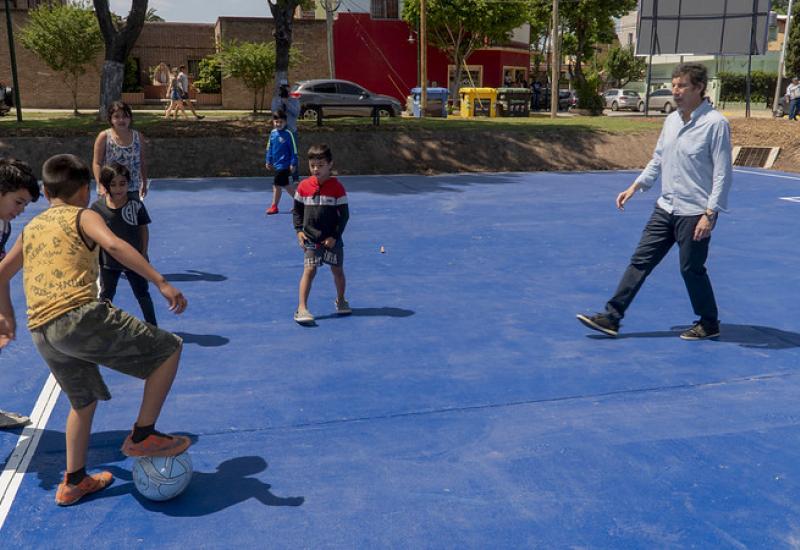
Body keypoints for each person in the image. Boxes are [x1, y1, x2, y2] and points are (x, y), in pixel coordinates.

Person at [0, 154, 191, 506]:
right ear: (86, 190)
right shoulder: (83, 215)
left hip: (42, 330)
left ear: (45, 190)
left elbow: (1, 273)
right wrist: (161, 282)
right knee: (169, 350)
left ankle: (73, 481)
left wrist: (8, 315)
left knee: (83, 403)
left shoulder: (32, 227)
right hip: (78, 316)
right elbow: (116, 245)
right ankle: (143, 434)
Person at [576, 63, 732, 340]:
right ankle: (612, 317)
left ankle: (709, 323)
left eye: (682, 85)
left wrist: (710, 213)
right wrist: (635, 186)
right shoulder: (671, 120)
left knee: (690, 269)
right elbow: (658, 158)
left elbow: (722, 173)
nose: (676, 91)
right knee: (640, 261)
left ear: (698, 88)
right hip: (666, 207)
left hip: (695, 212)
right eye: (674, 85)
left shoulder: (715, 124)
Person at [90, 163, 157, 326]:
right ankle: (100, 327)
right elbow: (93, 235)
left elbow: (143, 229)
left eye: (122, 183)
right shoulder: (97, 208)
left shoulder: (136, 205)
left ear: (128, 183)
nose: (118, 188)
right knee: (106, 295)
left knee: (142, 293)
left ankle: (153, 326)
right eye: (113, 184)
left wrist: (143, 252)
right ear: (105, 186)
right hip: (108, 262)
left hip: (134, 260)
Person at [0, 158, 40, 430]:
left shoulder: (4, 226)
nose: (21, 209)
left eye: (26, 204)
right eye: (18, 201)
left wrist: (6, 313)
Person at [293, 144, 350, 325]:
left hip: (332, 240)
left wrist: (334, 236)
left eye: (320, 165)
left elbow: (344, 216)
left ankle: (340, 300)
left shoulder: (337, 188)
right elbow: (297, 212)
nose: (316, 169)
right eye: (312, 165)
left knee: (338, 271)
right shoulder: (303, 187)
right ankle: (301, 308)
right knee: (309, 270)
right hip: (311, 238)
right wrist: (299, 231)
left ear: (330, 164)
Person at [92, 101, 149, 200]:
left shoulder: (138, 137)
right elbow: (96, 163)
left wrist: (144, 182)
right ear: (111, 119)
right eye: (117, 116)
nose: (121, 120)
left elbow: (142, 162)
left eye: (125, 116)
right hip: (109, 189)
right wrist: (100, 185)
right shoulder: (104, 136)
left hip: (132, 188)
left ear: (130, 118)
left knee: (130, 215)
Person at [265, 110, 298, 215]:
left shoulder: (288, 134)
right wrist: (268, 160)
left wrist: (293, 163)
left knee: (277, 185)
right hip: (276, 165)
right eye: (276, 122)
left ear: (285, 122)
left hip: (285, 165)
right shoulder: (272, 133)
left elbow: (294, 150)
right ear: (273, 122)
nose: (278, 124)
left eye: (281, 122)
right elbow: (269, 148)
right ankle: (300, 202)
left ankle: (274, 206)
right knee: (286, 186)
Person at [271, 80, 300, 183]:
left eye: (285, 87)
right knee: (280, 154)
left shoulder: (294, 100)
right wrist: (280, 103)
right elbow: (273, 113)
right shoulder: (276, 100)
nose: (284, 89)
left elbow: (296, 113)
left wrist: (287, 103)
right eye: (282, 87)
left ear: (289, 88)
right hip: (280, 132)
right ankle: (282, 176)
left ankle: (295, 177)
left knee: (293, 153)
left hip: (291, 131)